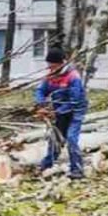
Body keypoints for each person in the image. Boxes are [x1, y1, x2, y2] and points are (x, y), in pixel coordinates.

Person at [34, 48, 88, 179]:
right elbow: (40, 90)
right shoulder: (50, 76)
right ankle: (47, 164)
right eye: (49, 66)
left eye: (54, 66)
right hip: (59, 110)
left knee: (71, 138)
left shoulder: (73, 77)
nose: (51, 69)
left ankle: (77, 169)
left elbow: (74, 101)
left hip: (76, 111)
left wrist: (55, 112)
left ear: (62, 63)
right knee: (55, 138)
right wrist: (41, 104)